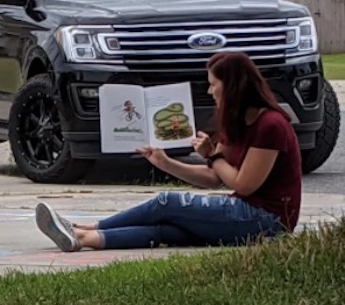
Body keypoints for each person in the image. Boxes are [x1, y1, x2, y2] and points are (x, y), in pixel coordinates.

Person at [36, 51, 302, 252]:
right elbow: (213, 178)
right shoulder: (235, 123)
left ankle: (88, 227)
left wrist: (212, 155)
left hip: (267, 221)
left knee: (166, 202)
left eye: (213, 84)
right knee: (167, 230)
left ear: (233, 87)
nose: (210, 91)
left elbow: (244, 184)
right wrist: (165, 163)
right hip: (245, 212)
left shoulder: (271, 125)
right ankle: (81, 238)